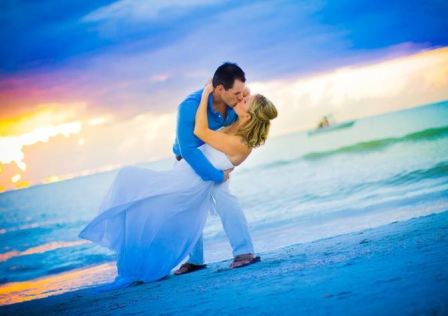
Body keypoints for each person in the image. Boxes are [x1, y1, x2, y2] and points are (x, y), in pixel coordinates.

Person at [79, 65, 277, 287]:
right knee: (184, 212)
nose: (242, 97)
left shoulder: (236, 130)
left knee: (215, 204)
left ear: (249, 115)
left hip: (203, 175)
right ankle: (200, 260)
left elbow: (201, 133)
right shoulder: (206, 112)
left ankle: (243, 253)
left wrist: (205, 95)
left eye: (244, 99)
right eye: (239, 95)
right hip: (191, 167)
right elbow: (187, 148)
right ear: (221, 89)